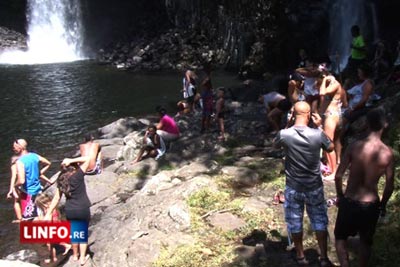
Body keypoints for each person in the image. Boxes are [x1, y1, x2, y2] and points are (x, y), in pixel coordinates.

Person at [274, 101, 335, 267]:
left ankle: (301, 257)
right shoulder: (317, 134)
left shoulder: (285, 134)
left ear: (293, 113)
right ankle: (323, 257)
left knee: (295, 221)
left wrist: (288, 122)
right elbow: (330, 147)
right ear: (309, 115)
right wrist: (320, 126)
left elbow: (275, 143)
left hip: (293, 187)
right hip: (314, 186)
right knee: (320, 221)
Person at [334, 108, 394, 267]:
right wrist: (383, 205)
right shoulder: (387, 153)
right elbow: (389, 186)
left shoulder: (355, 146)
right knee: (365, 242)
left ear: (367, 124)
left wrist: (340, 196)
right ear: (385, 125)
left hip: (350, 200)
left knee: (340, 238)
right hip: (371, 204)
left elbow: (338, 175)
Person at [45, 156, 92, 266]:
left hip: (70, 210)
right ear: (74, 169)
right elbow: (88, 159)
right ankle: (82, 258)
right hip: (83, 208)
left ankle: (75, 255)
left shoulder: (61, 180)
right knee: (83, 235)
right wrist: (71, 160)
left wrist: (48, 213)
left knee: (75, 233)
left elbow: (56, 198)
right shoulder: (78, 176)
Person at [318, 73, 347, 180]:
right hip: (337, 115)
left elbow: (322, 92)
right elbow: (346, 104)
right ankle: (337, 161)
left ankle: (333, 171)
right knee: (337, 140)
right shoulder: (341, 89)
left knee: (327, 143)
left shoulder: (334, 84)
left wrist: (325, 79)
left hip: (331, 116)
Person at [14, 139, 51, 221]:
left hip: (28, 193)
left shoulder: (20, 162)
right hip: (38, 190)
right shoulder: (34, 156)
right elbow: (48, 163)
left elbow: (21, 180)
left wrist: (15, 186)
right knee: (40, 213)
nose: (14, 149)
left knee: (30, 219)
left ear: (21, 147)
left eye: (15, 147)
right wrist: (39, 173)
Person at [35, 193, 71, 264]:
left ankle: (65, 248)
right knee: (52, 243)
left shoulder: (49, 211)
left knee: (49, 244)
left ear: (43, 204)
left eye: (41, 206)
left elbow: (48, 222)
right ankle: (54, 257)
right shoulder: (54, 208)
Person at [6, 155, 22, 223]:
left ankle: (20, 218)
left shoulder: (14, 166)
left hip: (18, 185)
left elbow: (13, 177)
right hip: (25, 184)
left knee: (17, 201)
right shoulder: (22, 165)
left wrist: (11, 189)